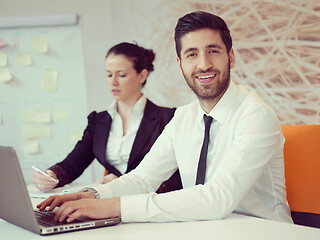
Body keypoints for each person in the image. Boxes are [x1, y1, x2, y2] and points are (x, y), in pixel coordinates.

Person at [37, 11, 293, 224]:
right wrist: (92, 195)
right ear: (180, 65)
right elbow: (143, 178)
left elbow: (217, 199)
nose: (203, 64)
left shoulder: (256, 116)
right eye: (192, 54)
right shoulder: (183, 117)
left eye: (213, 51)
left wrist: (115, 207)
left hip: (264, 232)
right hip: (204, 229)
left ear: (231, 57)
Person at [32, 42, 182, 194]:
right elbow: (73, 164)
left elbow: (179, 175)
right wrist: (52, 176)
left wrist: (124, 184)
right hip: (109, 201)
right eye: (109, 74)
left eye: (121, 75)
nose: (113, 82)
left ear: (142, 76)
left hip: (147, 204)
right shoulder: (98, 121)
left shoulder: (168, 118)